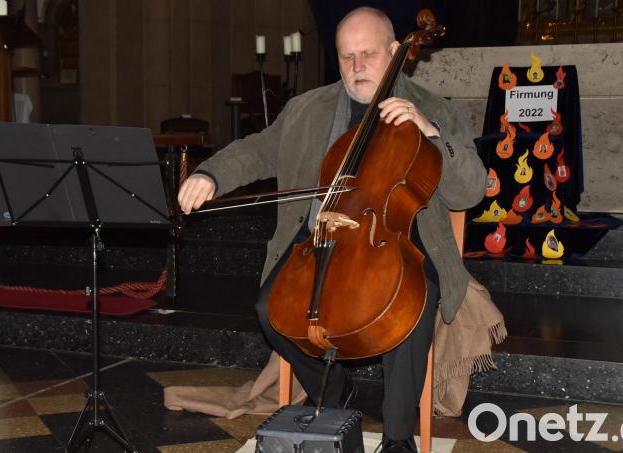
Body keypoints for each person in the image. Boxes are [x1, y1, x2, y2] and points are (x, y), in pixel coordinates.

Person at [178, 7, 485, 453]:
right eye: (346, 56)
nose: (356, 67)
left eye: (368, 54)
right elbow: (257, 151)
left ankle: (399, 436)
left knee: (410, 302)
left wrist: (430, 132)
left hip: (402, 241)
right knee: (271, 310)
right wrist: (211, 175)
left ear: (397, 52)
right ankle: (335, 390)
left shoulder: (433, 107)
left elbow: (470, 190)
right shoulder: (308, 108)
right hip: (320, 240)